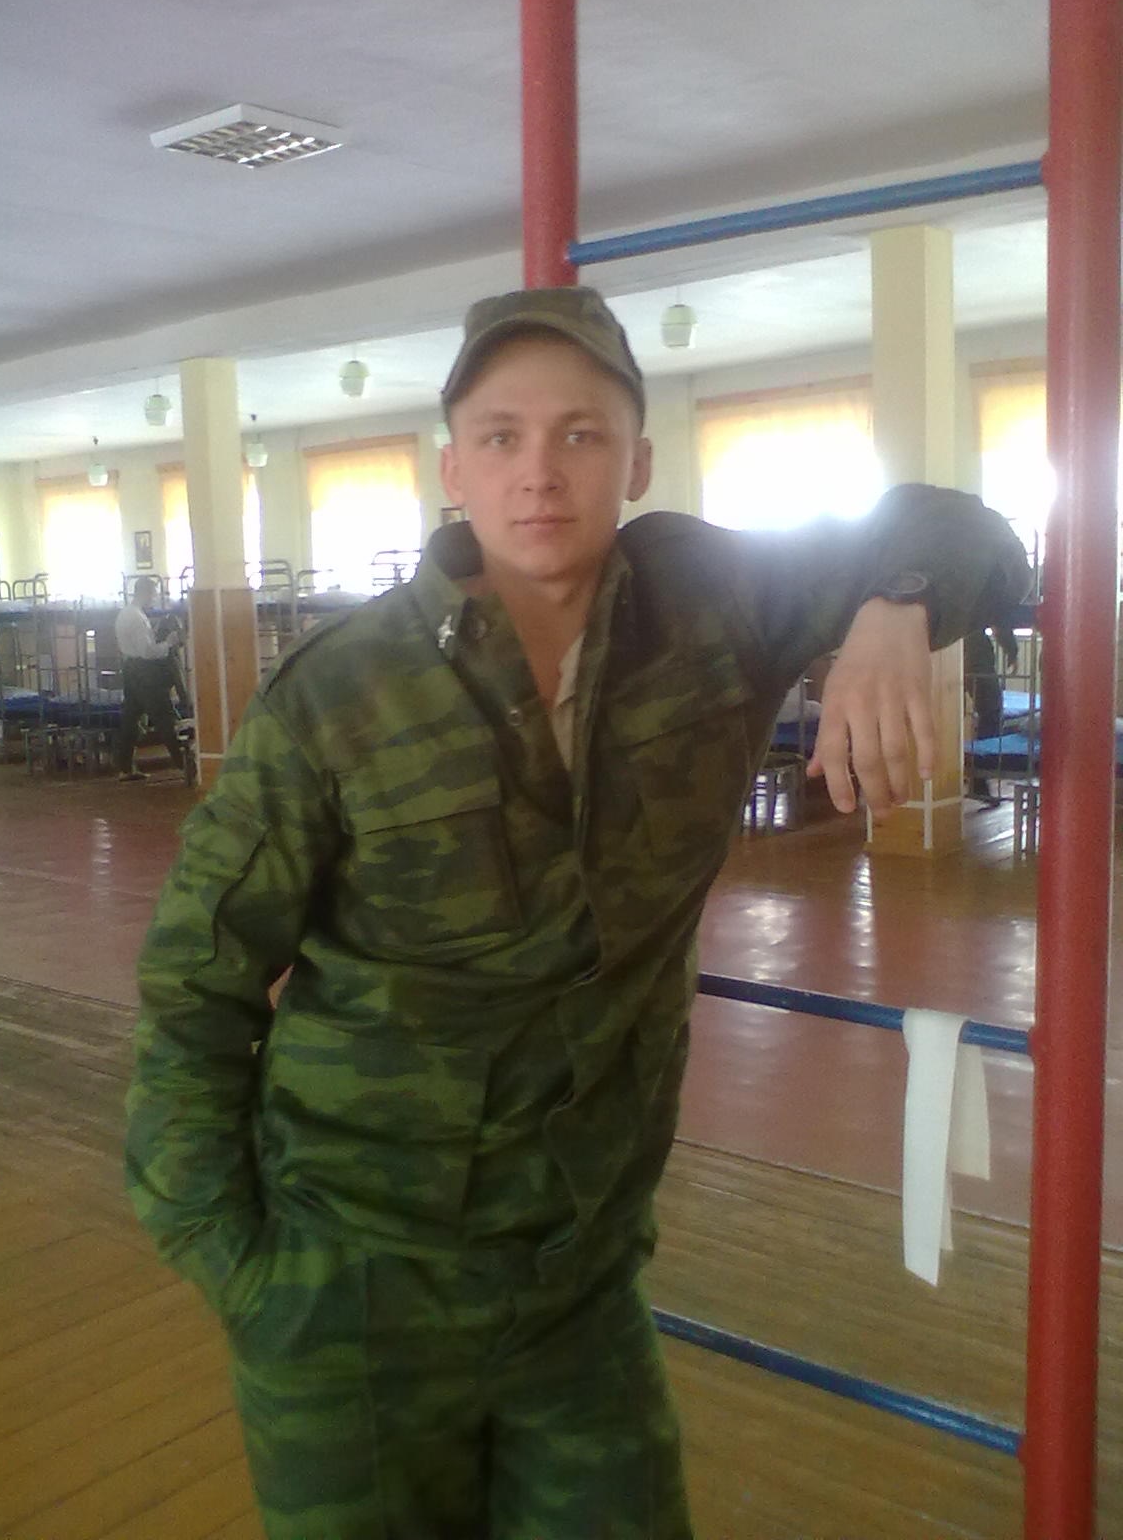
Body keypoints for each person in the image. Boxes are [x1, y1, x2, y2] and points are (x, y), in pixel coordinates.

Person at [125, 286, 1030, 1539]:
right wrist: (241, 1267)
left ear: (637, 461)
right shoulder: (340, 697)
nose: (539, 472)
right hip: (354, 1289)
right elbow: (194, 987)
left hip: (580, 1286)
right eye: (500, 436)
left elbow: (973, 530)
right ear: (454, 469)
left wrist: (896, 607)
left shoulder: (713, 604)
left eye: (580, 433)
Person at [113, 575, 184, 781]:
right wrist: (168, 643)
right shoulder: (137, 618)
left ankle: (125, 768)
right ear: (145, 593)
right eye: (153, 595)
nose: (154, 599)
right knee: (164, 717)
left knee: (131, 719)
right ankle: (185, 764)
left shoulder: (125, 614)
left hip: (130, 670)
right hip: (144, 672)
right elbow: (147, 651)